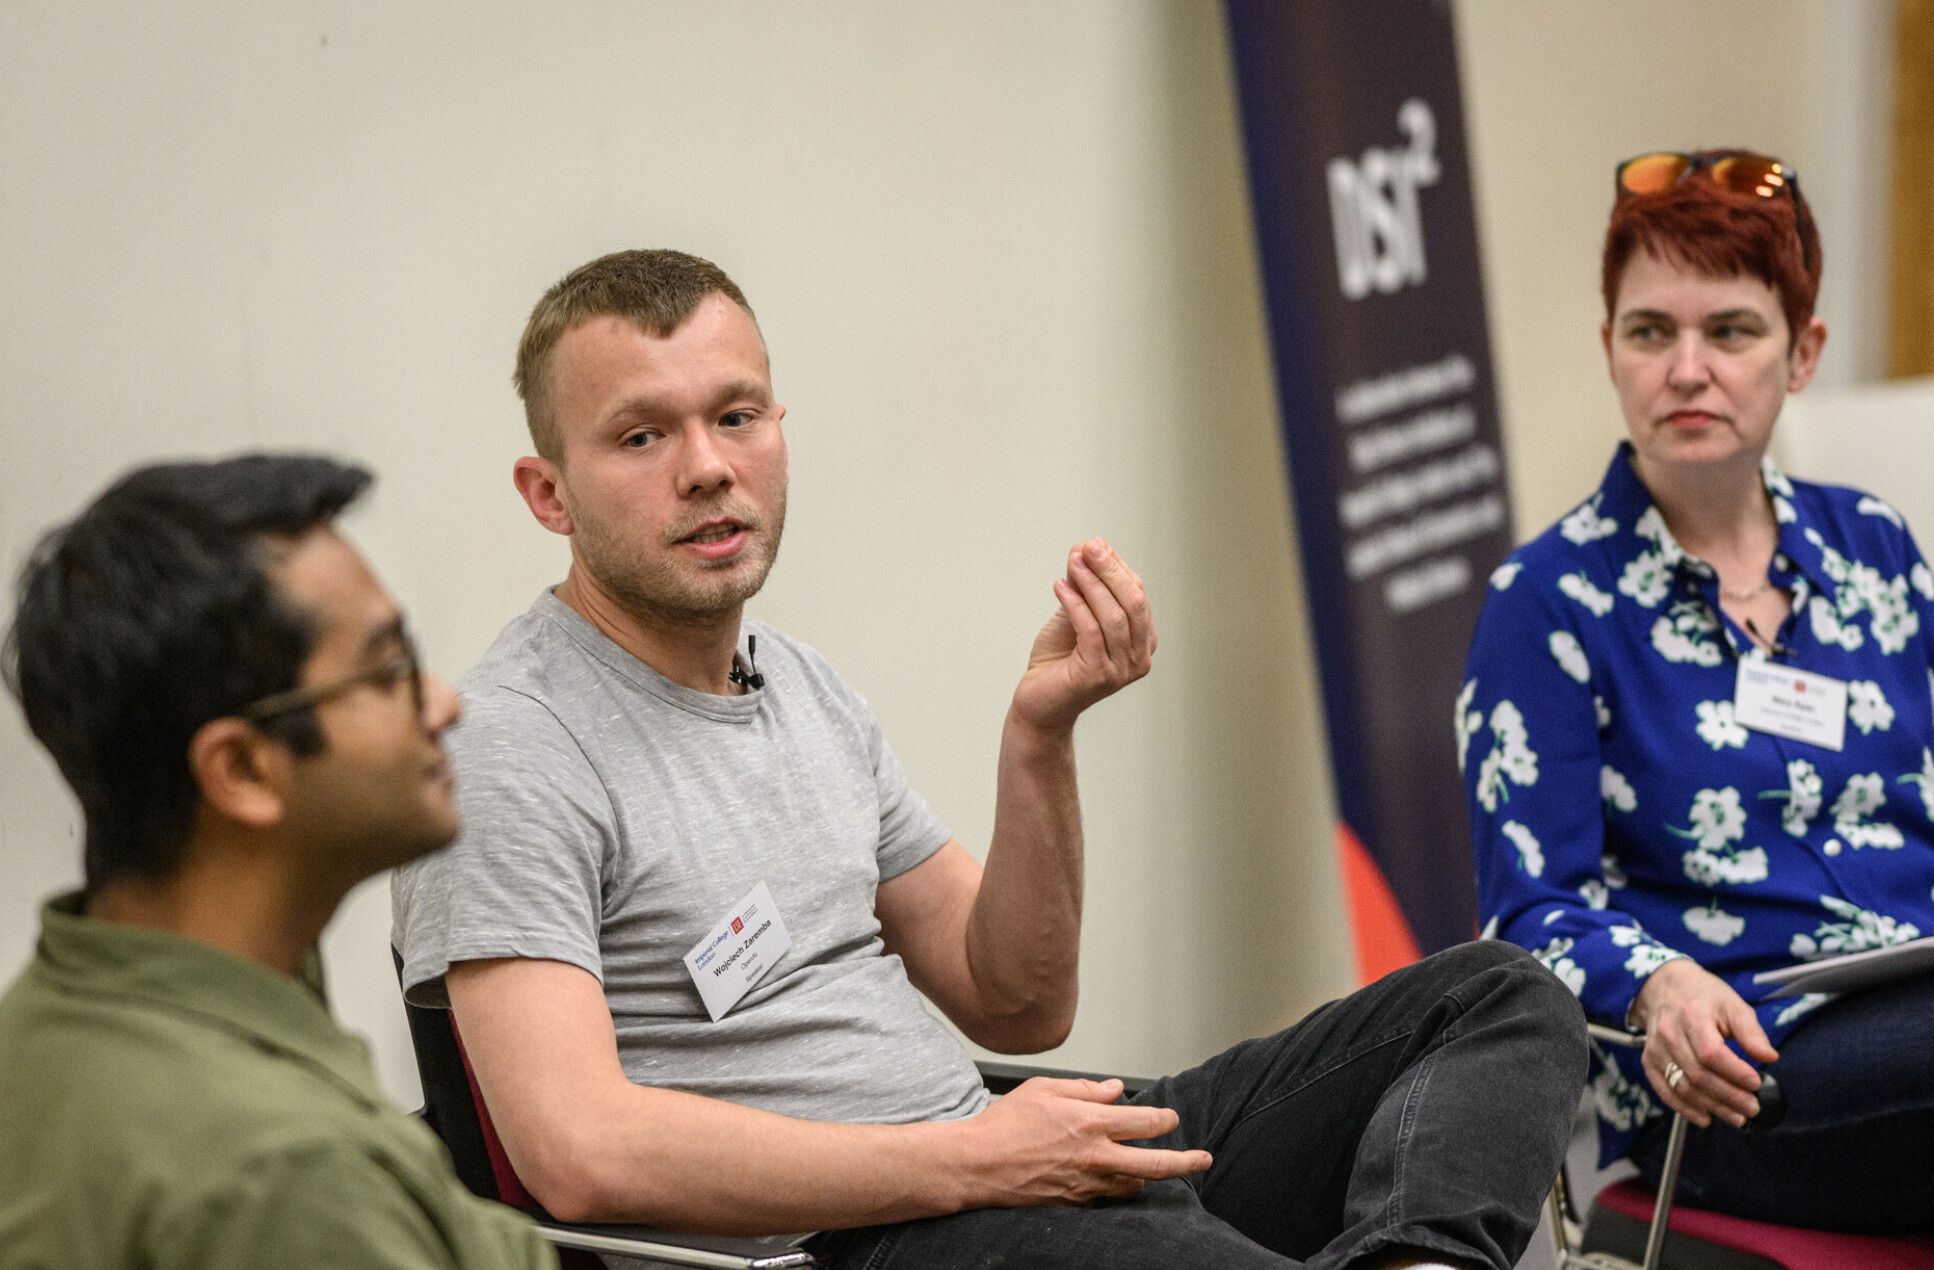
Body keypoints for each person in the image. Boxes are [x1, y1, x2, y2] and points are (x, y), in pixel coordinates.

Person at [392, 248, 1586, 1270]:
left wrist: (1039, 734)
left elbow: (1014, 1000)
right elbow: (578, 1153)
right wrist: (967, 1158)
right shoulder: (510, 746)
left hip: (990, 1155)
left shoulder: (800, 684)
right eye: (641, 434)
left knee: (1499, 996)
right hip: (853, 1236)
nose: (706, 465)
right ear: (546, 493)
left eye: (736, 414)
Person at [1461, 149, 1934, 1233]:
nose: (1685, 369)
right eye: (1648, 332)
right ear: (1608, 352)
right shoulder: (1548, 601)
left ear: (1799, 352)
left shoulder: (1871, 547)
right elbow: (1526, 912)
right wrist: (1658, 983)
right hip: (1732, 1066)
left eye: (1727, 331)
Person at [0, 456, 556, 1269]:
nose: (445, 703)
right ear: (244, 770)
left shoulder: (57, 1018)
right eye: (388, 669)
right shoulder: (287, 1173)